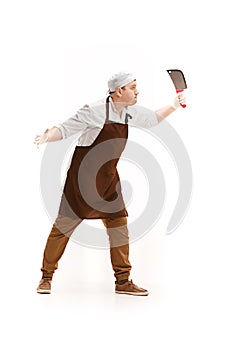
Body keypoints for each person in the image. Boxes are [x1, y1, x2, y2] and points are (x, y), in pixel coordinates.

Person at [35, 72, 186, 296]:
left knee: (119, 228)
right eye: (133, 87)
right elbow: (66, 128)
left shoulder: (128, 112)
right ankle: (46, 277)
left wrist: (173, 105)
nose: (137, 92)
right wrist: (48, 136)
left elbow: (152, 119)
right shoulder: (94, 110)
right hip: (82, 181)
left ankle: (123, 281)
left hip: (108, 180)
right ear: (119, 91)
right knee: (62, 228)